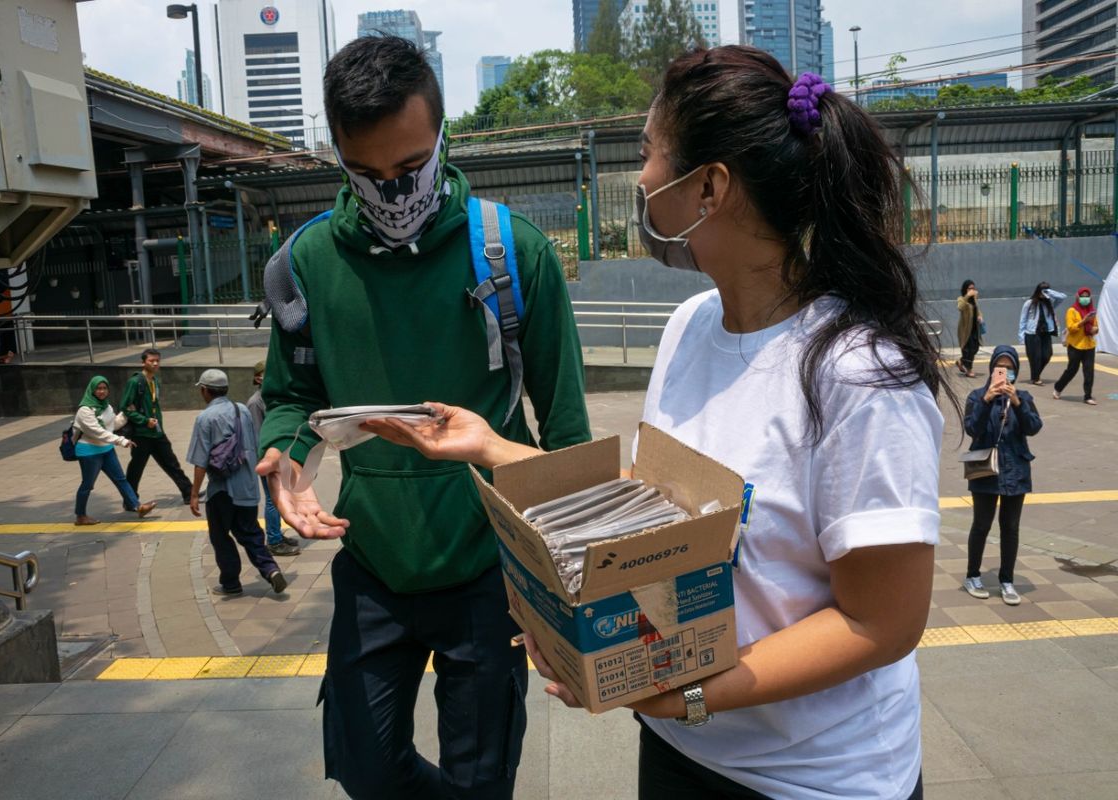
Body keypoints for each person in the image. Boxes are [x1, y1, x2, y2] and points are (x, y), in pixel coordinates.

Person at [367, 49, 946, 800]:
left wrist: (697, 693)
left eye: (648, 153)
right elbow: (661, 508)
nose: (638, 180)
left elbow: (883, 625)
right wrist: (497, 449)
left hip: (815, 779)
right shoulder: (691, 326)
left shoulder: (856, 373)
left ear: (709, 187)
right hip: (681, 749)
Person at [255, 36, 590, 799]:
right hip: (372, 560)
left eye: (410, 168)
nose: (394, 192)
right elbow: (292, 396)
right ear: (335, 152)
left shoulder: (512, 254)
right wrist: (284, 455)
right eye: (367, 174)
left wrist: (570, 590)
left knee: (484, 776)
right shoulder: (306, 264)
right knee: (363, 766)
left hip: (488, 568)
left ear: (444, 135)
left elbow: (566, 430)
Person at [187, 369, 287, 597]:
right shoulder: (241, 409)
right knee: (250, 532)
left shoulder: (205, 418)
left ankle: (231, 583)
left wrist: (194, 494)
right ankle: (270, 569)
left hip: (222, 489)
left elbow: (200, 462)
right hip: (247, 486)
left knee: (220, 536)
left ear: (205, 390)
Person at [962, 346, 1043, 606]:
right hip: (985, 471)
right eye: (1001, 367)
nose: (1005, 373)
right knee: (982, 525)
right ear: (992, 369)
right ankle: (972, 575)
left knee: (1010, 527)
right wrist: (986, 400)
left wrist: (1018, 403)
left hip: (1016, 470)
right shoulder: (976, 396)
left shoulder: (1024, 396)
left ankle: (1006, 580)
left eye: (1010, 369)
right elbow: (973, 429)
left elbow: (1033, 428)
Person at [72, 376, 156, 525]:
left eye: (104, 388)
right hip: (89, 451)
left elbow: (112, 426)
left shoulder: (107, 406)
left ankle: (138, 507)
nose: (102, 392)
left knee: (121, 479)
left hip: (106, 449)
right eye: (98, 388)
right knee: (87, 484)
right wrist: (121, 440)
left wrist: (126, 413)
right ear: (92, 390)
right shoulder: (84, 410)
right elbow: (97, 431)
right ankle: (80, 515)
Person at [120, 348, 194, 503]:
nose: (155, 363)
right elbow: (125, 407)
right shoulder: (135, 382)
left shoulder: (154, 381)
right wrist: (144, 420)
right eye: (151, 361)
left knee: (171, 463)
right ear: (143, 362)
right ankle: (130, 500)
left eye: (157, 361)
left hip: (157, 432)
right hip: (141, 434)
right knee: (136, 468)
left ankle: (189, 493)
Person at [247, 360, 300, 557]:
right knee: (272, 499)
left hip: (279, 456)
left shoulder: (272, 399)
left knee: (280, 497)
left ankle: (277, 534)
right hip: (266, 458)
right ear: (258, 378)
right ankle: (274, 540)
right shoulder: (255, 402)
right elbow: (258, 435)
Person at [1053, 287, 1100, 405]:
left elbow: (1095, 325)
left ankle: (1088, 396)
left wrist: (1095, 329)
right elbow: (1071, 328)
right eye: (1083, 296)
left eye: (1087, 296)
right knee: (1072, 370)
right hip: (1075, 345)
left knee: (1089, 371)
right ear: (1078, 297)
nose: (1085, 298)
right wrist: (1083, 321)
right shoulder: (1072, 311)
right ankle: (1058, 387)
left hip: (1089, 345)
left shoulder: (1092, 311)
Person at [1017, 281, 1066, 385]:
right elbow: (1023, 320)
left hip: (1046, 333)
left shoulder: (1050, 303)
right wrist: (1021, 337)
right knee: (1035, 356)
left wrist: (1049, 292)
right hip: (1032, 333)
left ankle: (1035, 375)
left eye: (1046, 291)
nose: (1044, 294)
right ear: (1038, 291)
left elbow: (1062, 297)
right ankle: (1036, 378)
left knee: (1047, 355)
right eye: (1042, 291)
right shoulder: (1029, 303)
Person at [955, 279, 983, 377]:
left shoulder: (974, 299)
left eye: (973, 288)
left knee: (975, 348)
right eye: (969, 288)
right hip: (965, 330)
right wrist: (967, 296)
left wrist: (980, 316)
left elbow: (977, 310)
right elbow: (960, 307)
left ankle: (961, 361)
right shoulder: (961, 299)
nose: (972, 290)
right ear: (965, 289)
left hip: (975, 329)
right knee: (968, 350)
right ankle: (969, 370)